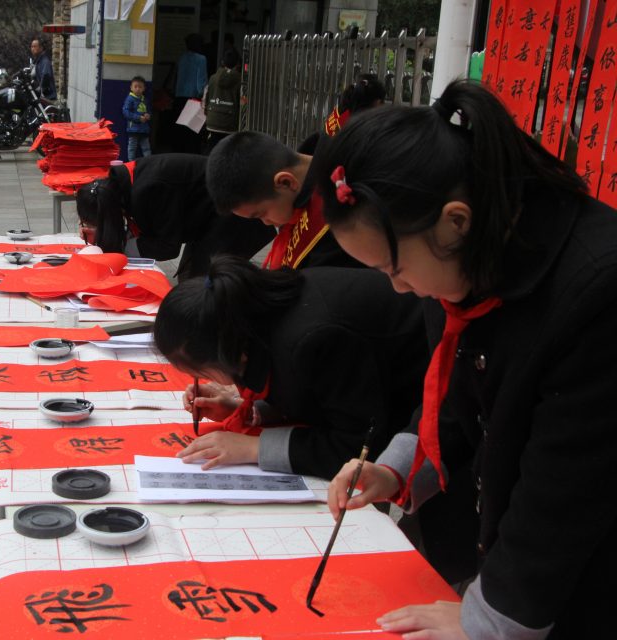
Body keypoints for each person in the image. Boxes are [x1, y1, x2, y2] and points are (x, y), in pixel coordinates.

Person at [316, 80, 617, 637]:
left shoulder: (596, 290)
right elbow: (456, 394)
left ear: (456, 221)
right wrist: (393, 468)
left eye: (394, 269)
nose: (398, 289)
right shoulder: (459, 261)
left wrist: (488, 621)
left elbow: (567, 491)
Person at [152, 256, 427, 479]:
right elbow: (317, 392)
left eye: (199, 373)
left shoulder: (314, 339)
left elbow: (358, 446)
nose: (199, 379)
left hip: (427, 392)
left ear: (232, 353)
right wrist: (250, 409)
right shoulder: (254, 317)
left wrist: (254, 447)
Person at [75, 154, 274, 280]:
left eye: (95, 223)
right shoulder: (120, 184)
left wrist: (118, 244)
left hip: (237, 216)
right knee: (189, 278)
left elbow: (167, 246)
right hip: (208, 216)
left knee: (202, 284)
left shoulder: (149, 191)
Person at [207, 131, 361, 270]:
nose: (266, 223)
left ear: (286, 182)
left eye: (261, 214)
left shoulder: (343, 212)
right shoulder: (295, 195)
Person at [173, 33, 208, 153]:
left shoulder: (182, 58)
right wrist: (203, 95)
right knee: (193, 132)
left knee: (180, 131)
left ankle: (179, 153)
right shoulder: (201, 59)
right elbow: (201, 81)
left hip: (179, 96)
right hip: (193, 98)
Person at [202, 49, 242, 154]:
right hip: (230, 123)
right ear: (238, 64)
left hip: (212, 121)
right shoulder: (240, 80)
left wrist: (207, 113)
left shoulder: (213, 78)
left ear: (223, 62)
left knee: (212, 148)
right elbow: (242, 103)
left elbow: (206, 98)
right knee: (228, 151)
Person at [122, 76, 151, 160]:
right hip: (133, 129)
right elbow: (125, 112)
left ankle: (149, 163)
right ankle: (131, 163)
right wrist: (138, 117)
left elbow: (148, 110)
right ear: (131, 88)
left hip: (144, 128)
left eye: (140, 87)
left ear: (144, 88)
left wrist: (148, 115)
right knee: (132, 148)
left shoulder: (145, 99)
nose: (138, 89)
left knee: (146, 148)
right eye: (135, 86)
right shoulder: (130, 99)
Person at [29, 37, 57, 101]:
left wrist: (40, 89)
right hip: (44, 96)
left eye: (35, 46)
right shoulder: (37, 61)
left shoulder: (44, 61)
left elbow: (46, 75)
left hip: (48, 97)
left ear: (41, 48)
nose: (32, 49)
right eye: (31, 47)